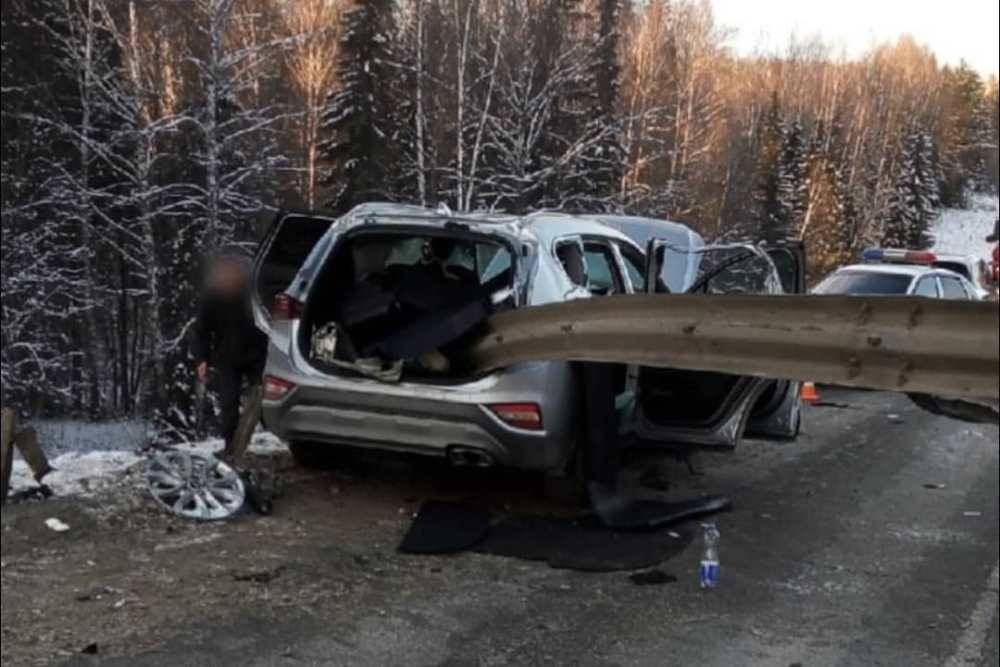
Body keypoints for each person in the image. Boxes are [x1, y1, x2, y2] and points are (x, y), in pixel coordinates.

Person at [193, 249, 268, 456]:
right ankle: (230, 446)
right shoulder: (212, 297)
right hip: (227, 358)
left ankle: (275, 437)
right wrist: (202, 359)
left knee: (264, 397)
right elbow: (201, 330)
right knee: (228, 403)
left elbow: (268, 321)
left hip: (257, 354)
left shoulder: (253, 294)